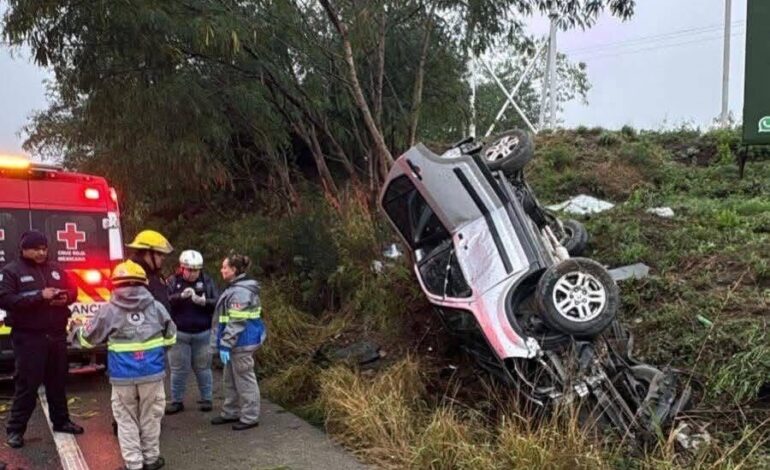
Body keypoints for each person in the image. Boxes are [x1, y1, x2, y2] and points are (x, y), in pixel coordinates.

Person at [75, 260, 176, 470]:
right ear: (144, 283)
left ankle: (133, 464)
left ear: (115, 284)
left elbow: (86, 341)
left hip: (122, 376)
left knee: (126, 419)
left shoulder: (108, 310)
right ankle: (151, 459)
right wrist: (154, 353)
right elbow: (171, 337)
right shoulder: (156, 307)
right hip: (152, 372)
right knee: (151, 416)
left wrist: (76, 329)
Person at [0, 230, 84, 449]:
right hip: (29, 337)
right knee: (27, 385)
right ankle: (16, 430)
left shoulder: (56, 269)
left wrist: (67, 297)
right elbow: (6, 299)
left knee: (58, 381)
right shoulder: (12, 271)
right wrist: (40, 296)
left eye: (44, 248)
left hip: (56, 334)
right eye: (36, 248)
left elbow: (74, 290)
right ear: (24, 249)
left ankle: (62, 421)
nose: (41, 252)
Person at [210, 253, 265, 431]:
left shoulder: (240, 292)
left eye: (225, 267)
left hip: (241, 342)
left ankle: (250, 417)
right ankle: (230, 411)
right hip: (236, 343)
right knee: (230, 379)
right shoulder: (236, 289)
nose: (222, 270)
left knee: (245, 380)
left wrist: (226, 343)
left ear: (233, 270)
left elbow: (236, 321)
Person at [165, 250, 219, 414]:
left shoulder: (207, 281)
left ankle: (207, 399)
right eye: (190, 270)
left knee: (203, 368)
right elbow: (164, 302)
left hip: (202, 332)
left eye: (197, 270)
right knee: (178, 369)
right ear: (182, 268)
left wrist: (203, 302)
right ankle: (177, 401)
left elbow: (217, 301)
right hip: (180, 333)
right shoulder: (172, 281)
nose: (194, 273)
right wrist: (180, 297)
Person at [125, 230, 174, 311]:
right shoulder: (134, 277)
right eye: (159, 253)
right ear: (148, 253)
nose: (163, 257)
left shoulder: (153, 274)